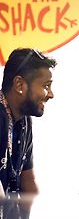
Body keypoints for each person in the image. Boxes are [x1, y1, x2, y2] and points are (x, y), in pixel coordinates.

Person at [0, 48, 56, 195]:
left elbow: (29, 185)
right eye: (46, 86)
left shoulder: (24, 122)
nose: (51, 94)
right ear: (19, 85)